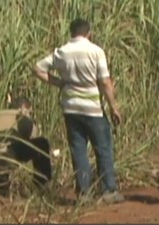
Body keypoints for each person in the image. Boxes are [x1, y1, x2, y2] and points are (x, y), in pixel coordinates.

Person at [33, 18, 124, 204]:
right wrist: (114, 106)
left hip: (71, 108)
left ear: (71, 33)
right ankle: (108, 190)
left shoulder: (62, 52)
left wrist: (59, 83)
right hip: (92, 108)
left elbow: (38, 68)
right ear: (88, 32)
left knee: (78, 149)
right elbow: (105, 82)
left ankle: (84, 193)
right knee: (103, 147)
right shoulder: (96, 51)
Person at [0, 97, 52, 190]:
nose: (30, 115)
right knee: (42, 143)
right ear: (23, 108)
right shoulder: (22, 118)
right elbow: (33, 143)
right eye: (30, 112)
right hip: (6, 158)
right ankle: (42, 185)